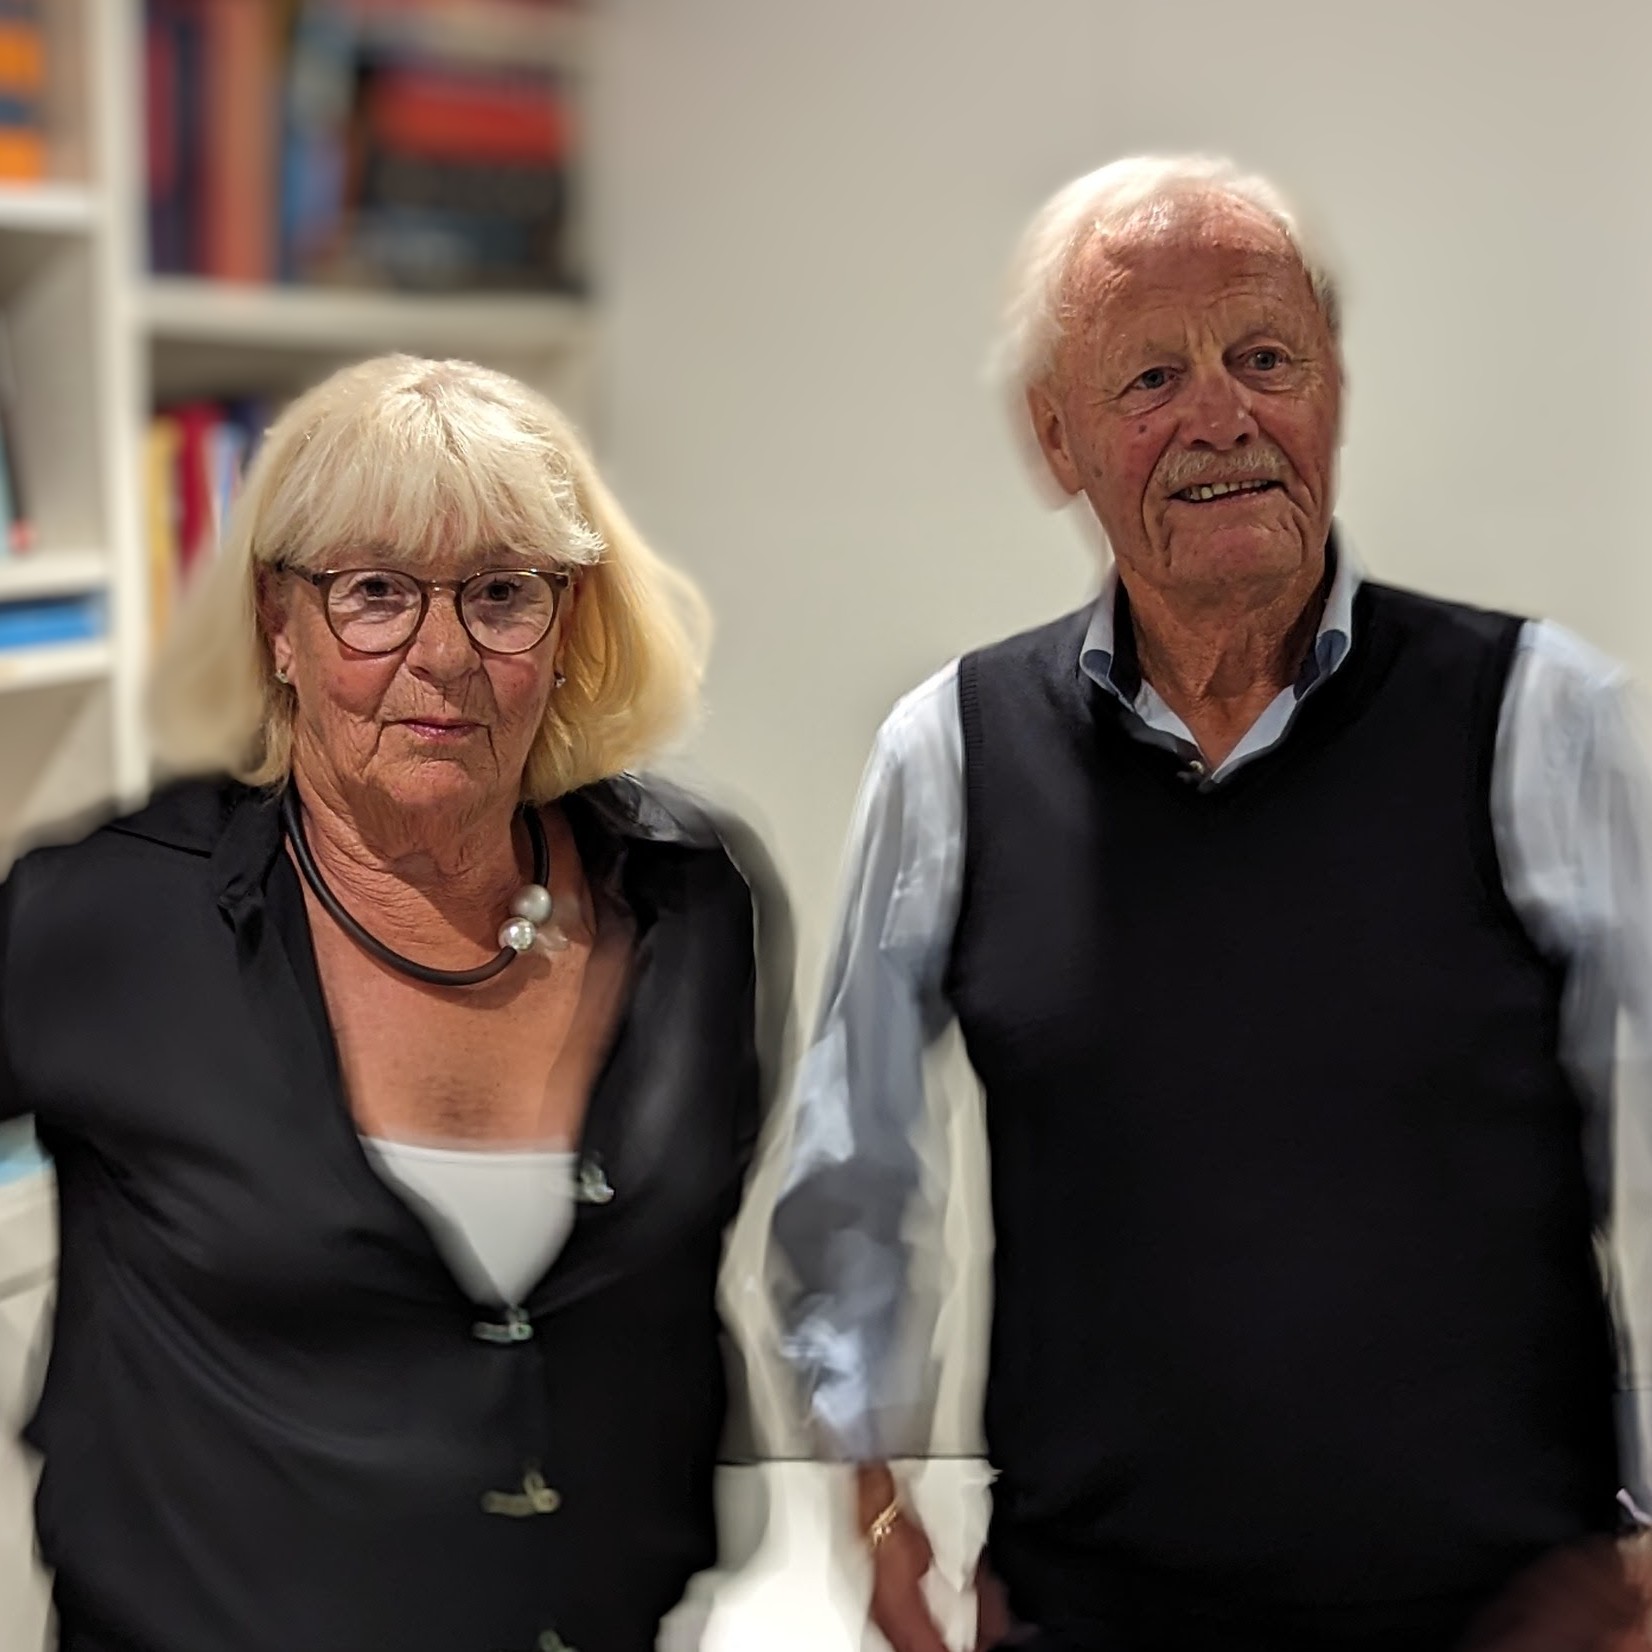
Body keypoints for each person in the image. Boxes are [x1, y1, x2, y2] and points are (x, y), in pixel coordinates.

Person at [772, 155, 1652, 1652]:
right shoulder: (952, 753)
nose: (1222, 418)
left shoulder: (1543, 718)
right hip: (1088, 1615)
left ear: (1335, 388)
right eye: (1151, 378)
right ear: (1056, 436)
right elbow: (850, 1168)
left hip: (1505, 1619)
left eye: (1265, 358)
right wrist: (870, 1501)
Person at [0, 354, 785, 1652]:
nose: (445, 654)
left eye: (502, 593)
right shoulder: (110, 921)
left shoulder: (693, 900)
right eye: (375, 592)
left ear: (568, 623)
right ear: (280, 625)